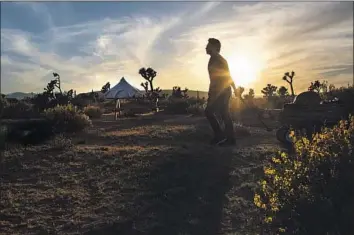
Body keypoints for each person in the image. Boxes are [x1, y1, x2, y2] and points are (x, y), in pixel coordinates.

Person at [205, 38, 238, 146]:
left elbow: (228, 76)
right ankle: (225, 137)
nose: (206, 47)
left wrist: (234, 88)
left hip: (221, 90)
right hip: (218, 90)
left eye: (208, 45)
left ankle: (224, 137)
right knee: (221, 113)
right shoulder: (214, 59)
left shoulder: (219, 60)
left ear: (215, 47)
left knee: (216, 112)